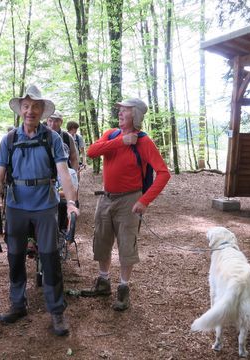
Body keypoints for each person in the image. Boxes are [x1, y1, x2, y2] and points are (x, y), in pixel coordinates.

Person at [0, 85, 79, 336]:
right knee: (15, 257)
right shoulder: (9, 140)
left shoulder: (52, 138)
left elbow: (64, 173)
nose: (30, 111)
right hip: (17, 206)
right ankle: (18, 304)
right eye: (26, 106)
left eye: (35, 107)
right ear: (20, 110)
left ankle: (57, 311)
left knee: (50, 258)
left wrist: (71, 202)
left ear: (41, 111)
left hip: (45, 205)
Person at [81, 98, 170, 311]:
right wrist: (121, 142)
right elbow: (92, 152)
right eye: (120, 109)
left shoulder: (144, 142)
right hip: (105, 197)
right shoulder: (111, 134)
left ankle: (123, 289)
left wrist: (144, 200)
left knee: (126, 244)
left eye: (126, 110)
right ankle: (103, 282)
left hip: (130, 199)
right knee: (102, 240)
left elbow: (163, 173)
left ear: (136, 115)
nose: (120, 113)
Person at [46, 111, 79, 179]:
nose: (52, 124)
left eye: (56, 121)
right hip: (45, 177)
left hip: (64, 175)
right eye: (50, 120)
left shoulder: (67, 137)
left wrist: (74, 174)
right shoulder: (40, 136)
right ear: (47, 121)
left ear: (61, 122)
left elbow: (74, 158)